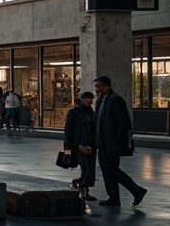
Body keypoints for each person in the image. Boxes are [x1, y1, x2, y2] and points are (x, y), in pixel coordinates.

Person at [94, 76, 146, 207]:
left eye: (98, 86)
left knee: (112, 170)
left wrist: (114, 141)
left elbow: (124, 124)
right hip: (103, 143)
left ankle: (137, 190)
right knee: (107, 170)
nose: (96, 90)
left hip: (111, 144)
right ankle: (114, 197)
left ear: (106, 87)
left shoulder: (115, 100)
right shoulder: (103, 100)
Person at [62, 91, 96, 202]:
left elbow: (93, 130)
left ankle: (81, 186)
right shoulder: (73, 112)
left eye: (91, 100)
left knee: (90, 171)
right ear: (82, 100)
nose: (89, 102)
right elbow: (68, 130)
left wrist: (93, 145)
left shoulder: (91, 112)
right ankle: (82, 189)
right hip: (78, 146)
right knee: (85, 168)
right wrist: (75, 146)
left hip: (90, 145)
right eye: (87, 100)